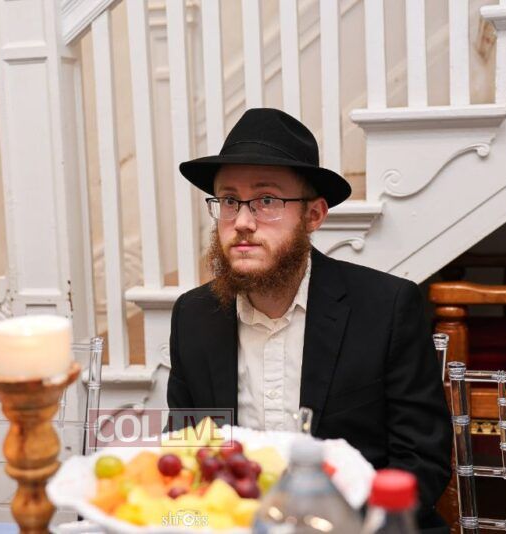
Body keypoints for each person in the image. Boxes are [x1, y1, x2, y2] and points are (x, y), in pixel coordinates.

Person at [167, 108, 452, 533]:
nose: (242, 222)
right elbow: (191, 454)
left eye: (266, 200)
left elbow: (421, 463)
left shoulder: (387, 308)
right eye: (229, 200)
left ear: (314, 215)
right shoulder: (193, 316)